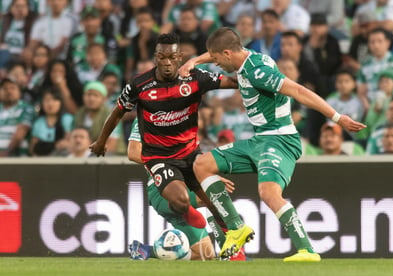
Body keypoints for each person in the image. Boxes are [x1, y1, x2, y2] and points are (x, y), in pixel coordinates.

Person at [179, 27, 366, 261]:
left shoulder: (258, 71)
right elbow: (218, 50)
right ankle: (236, 228)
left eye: (216, 59)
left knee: (268, 192)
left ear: (227, 53)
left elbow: (298, 90)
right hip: (260, 139)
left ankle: (307, 250)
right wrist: (194, 61)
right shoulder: (245, 56)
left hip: (280, 140)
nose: (214, 64)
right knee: (203, 164)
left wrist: (338, 117)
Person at [89, 33, 239, 234]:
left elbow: (232, 83)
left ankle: (234, 247)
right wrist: (101, 141)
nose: (167, 63)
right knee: (182, 200)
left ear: (180, 57)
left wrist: (251, 73)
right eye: (162, 57)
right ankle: (186, 211)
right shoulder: (139, 85)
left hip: (191, 154)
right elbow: (117, 112)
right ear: (155, 57)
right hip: (159, 157)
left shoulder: (195, 78)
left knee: (217, 205)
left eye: (171, 57)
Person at [126, 118, 245, 261]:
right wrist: (173, 164)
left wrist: (207, 177)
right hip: (160, 189)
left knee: (205, 254)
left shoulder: (184, 114)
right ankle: (234, 253)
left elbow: (193, 157)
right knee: (213, 195)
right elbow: (133, 153)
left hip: (186, 182)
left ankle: (145, 250)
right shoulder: (145, 116)